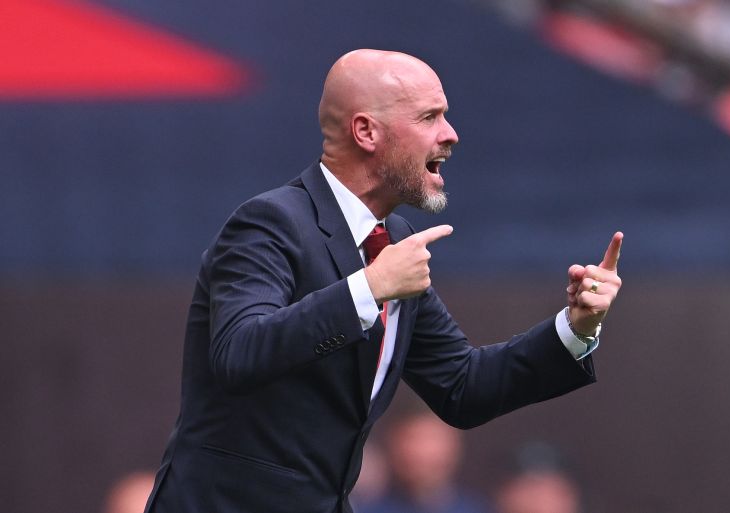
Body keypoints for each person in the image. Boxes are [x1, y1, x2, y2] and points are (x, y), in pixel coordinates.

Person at [143, 49, 623, 513]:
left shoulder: (391, 239)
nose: (451, 134)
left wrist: (576, 329)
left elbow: (463, 386)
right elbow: (238, 351)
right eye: (430, 117)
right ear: (366, 132)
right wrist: (368, 288)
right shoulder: (270, 222)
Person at [355, 409, 488, 513]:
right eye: (412, 439)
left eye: (432, 439)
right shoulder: (367, 508)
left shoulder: (477, 507)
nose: (421, 452)